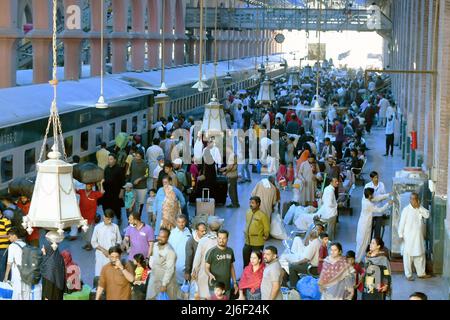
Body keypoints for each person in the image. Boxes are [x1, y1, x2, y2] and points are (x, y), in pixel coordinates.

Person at [398, 192, 431, 281]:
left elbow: (427, 215)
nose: (412, 200)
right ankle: (408, 275)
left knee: (420, 255)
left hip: (418, 238)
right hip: (408, 238)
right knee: (408, 257)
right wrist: (400, 235)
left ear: (417, 200)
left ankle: (421, 273)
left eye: (414, 199)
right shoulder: (406, 210)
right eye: (411, 199)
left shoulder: (420, 208)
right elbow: (401, 223)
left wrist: (419, 207)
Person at [355, 188, 391, 263]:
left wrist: (388, 195)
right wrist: (388, 204)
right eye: (372, 194)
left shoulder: (365, 199)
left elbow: (376, 198)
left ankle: (358, 259)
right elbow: (380, 210)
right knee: (363, 244)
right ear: (369, 195)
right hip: (365, 226)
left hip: (362, 224)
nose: (373, 195)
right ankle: (357, 260)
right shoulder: (368, 204)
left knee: (361, 243)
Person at [191, 218, 223, 299]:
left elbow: (197, 259)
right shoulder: (222, 241)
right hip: (217, 274)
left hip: (203, 273)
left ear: (208, 228)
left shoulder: (203, 240)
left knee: (202, 296)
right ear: (219, 228)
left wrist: (194, 271)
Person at [146, 228, 179, 300]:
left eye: (163, 237)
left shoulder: (170, 251)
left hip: (166, 282)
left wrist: (164, 284)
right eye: (159, 236)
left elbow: (170, 269)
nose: (160, 238)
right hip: (154, 279)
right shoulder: (155, 246)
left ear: (167, 238)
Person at [205, 230, 238, 298]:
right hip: (215, 287)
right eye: (219, 238)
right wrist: (209, 274)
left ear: (227, 239)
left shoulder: (230, 251)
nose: (221, 240)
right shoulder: (211, 252)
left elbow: (231, 267)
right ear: (217, 238)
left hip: (227, 286)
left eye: (224, 238)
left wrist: (234, 282)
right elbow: (206, 267)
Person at [91, 209, 122, 280]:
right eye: (108, 219)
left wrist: (115, 251)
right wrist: (103, 250)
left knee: (112, 276)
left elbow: (119, 241)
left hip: (112, 256)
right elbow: (93, 242)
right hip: (100, 255)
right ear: (103, 217)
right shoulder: (97, 227)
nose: (110, 221)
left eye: (111, 219)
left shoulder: (115, 227)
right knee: (100, 276)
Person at [3, 228, 31, 300]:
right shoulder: (25, 244)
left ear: (14, 236)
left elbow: (9, 263)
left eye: (9, 236)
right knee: (26, 294)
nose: (8, 238)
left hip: (17, 274)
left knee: (17, 294)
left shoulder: (12, 246)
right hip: (27, 273)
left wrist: (6, 277)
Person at [76, 182, 104, 251]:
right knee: (84, 231)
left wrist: (101, 184)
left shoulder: (95, 193)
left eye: (89, 186)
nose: (87, 187)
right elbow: (74, 190)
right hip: (82, 216)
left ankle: (90, 245)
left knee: (90, 231)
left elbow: (102, 193)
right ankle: (87, 243)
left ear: (91, 187)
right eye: (87, 186)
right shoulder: (81, 191)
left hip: (91, 216)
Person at [243, 196, 270, 267]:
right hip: (247, 242)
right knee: (246, 261)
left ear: (258, 204)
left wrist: (265, 236)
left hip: (257, 243)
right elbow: (247, 223)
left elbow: (267, 228)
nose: (250, 204)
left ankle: (256, 277)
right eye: (250, 203)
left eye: (253, 203)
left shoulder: (262, 215)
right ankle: (245, 276)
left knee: (256, 262)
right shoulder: (248, 212)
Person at [365, 171, 390, 239]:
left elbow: (383, 196)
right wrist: (379, 198)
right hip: (371, 212)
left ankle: (376, 245)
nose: (377, 179)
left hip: (379, 212)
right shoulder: (367, 186)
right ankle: (369, 246)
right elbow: (368, 198)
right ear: (371, 178)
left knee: (377, 231)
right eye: (375, 178)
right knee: (369, 231)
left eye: (377, 177)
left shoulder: (381, 185)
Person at [103, 154, 126, 225]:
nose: (109, 161)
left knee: (117, 207)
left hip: (116, 192)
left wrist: (121, 192)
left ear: (115, 160)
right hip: (107, 192)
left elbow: (123, 182)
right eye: (108, 159)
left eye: (111, 159)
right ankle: (109, 219)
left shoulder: (119, 169)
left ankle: (119, 218)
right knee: (107, 206)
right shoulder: (106, 168)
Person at [168, 215, 192, 284]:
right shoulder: (172, 234)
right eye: (179, 222)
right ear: (176, 222)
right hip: (175, 263)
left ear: (186, 222)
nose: (181, 224)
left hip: (186, 263)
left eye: (183, 222)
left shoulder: (189, 232)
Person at [129, 149, 149, 215]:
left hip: (142, 187)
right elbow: (130, 172)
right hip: (133, 186)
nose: (137, 158)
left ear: (141, 156)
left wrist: (139, 179)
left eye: (138, 156)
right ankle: (133, 216)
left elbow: (147, 174)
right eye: (136, 156)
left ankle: (139, 215)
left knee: (140, 203)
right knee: (132, 202)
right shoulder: (133, 162)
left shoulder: (145, 164)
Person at [0, 208, 11, 281]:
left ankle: (2, 283)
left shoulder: (6, 220)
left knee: (2, 266)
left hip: (4, 248)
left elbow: (10, 234)